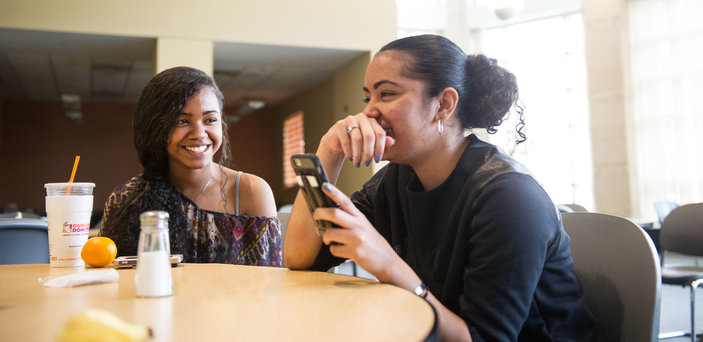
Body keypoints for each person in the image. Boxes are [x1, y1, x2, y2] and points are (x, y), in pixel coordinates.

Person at [284, 35, 595, 341]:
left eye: (387, 94)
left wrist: (387, 264)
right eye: (369, 98)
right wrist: (328, 150)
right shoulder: (394, 180)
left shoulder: (509, 196)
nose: (369, 112)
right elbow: (301, 258)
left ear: (444, 105)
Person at [100, 66, 281, 266]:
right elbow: (110, 279)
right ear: (155, 127)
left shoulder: (251, 191)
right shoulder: (127, 199)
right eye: (182, 121)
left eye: (210, 120)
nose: (199, 133)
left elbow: (269, 284)